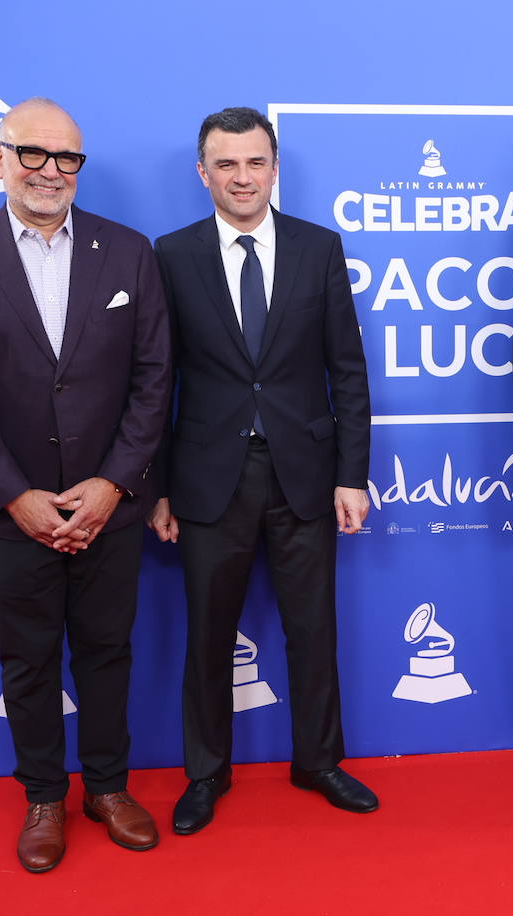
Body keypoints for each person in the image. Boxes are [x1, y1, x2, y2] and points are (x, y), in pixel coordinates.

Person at [0, 98, 171, 872]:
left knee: (106, 652)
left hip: (111, 510)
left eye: (66, 158)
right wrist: (15, 495)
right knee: (27, 661)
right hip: (9, 515)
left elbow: (154, 379)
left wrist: (114, 485)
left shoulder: (128, 252)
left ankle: (106, 788)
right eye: (33, 154)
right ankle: (42, 797)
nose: (50, 171)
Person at [148, 107, 377, 833]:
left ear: (274, 168)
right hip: (208, 478)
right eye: (226, 164)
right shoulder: (172, 255)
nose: (241, 177)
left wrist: (351, 474)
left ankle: (319, 761)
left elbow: (348, 369)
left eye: (254, 162)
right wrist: (155, 486)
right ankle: (206, 775)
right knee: (209, 635)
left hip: (306, 473)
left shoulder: (318, 248)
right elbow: (155, 381)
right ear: (203, 173)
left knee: (313, 630)